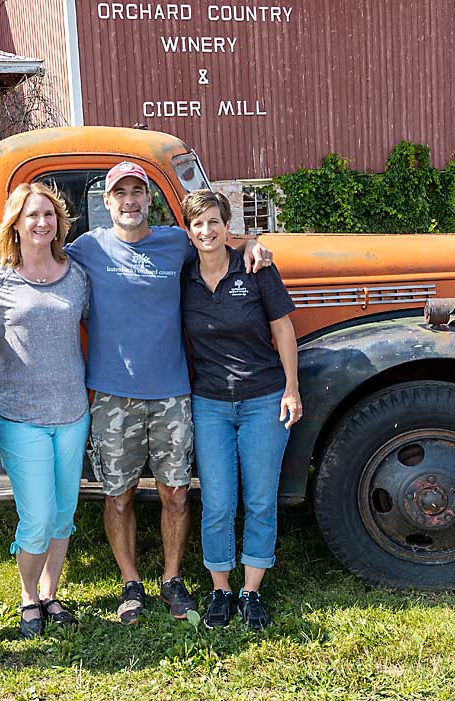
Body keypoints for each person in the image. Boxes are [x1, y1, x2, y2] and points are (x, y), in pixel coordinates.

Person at [63, 162, 274, 624]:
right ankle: (130, 582)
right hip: (113, 394)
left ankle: (172, 579)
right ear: (107, 201)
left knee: (176, 492)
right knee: (117, 495)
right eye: (120, 193)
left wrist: (255, 243)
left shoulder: (175, 242)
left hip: (173, 392)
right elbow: (40, 257)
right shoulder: (87, 248)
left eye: (137, 191)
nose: (130, 200)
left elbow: (217, 239)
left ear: (149, 198)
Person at [178, 190, 302, 631]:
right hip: (209, 402)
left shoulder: (255, 268)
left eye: (214, 222)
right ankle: (220, 588)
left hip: (263, 397)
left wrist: (291, 388)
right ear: (188, 231)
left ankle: (251, 591)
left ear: (227, 226)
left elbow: (283, 329)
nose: (207, 232)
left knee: (260, 499)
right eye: (198, 225)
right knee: (217, 501)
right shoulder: (183, 275)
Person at [0, 183, 90, 639]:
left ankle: (50, 592)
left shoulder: (76, 275)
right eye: (31, 215)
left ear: (58, 222)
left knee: (63, 514)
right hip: (21, 416)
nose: (41, 223)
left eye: (48, 215)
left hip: (73, 413)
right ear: (16, 224)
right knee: (37, 517)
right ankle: (27, 595)